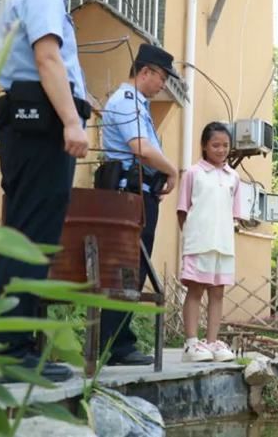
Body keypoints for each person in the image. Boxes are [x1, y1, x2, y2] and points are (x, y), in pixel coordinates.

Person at [0, 0, 109, 382]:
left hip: (30, 127)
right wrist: (72, 122)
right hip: (40, 129)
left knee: (27, 234)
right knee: (31, 237)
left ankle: (17, 344)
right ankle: (11, 351)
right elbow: (46, 58)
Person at [99, 43, 180, 365]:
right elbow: (141, 148)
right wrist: (172, 170)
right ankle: (114, 344)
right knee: (126, 268)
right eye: (162, 78)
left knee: (134, 268)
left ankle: (118, 340)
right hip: (129, 196)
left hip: (140, 195)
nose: (163, 85)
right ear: (146, 71)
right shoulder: (126, 101)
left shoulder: (138, 104)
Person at [175, 122, 244, 362]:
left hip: (223, 245)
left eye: (225, 145)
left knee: (217, 293)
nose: (221, 150)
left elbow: (234, 215)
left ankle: (212, 342)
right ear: (204, 146)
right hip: (198, 243)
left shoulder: (234, 177)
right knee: (195, 290)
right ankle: (191, 343)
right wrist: (191, 238)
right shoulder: (193, 173)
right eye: (215, 145)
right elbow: (182, 211)